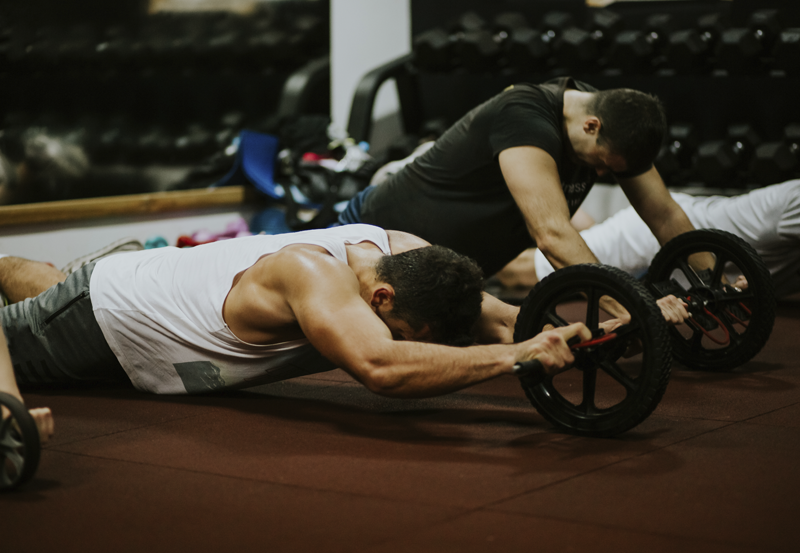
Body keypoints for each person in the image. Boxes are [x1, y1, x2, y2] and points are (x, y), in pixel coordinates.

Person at [0, 224, 591, 440]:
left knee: (55, 287)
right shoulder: (315, 276)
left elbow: (508, 319)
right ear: (381, 299)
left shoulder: (407, 255)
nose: (411, 344)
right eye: (405, 332)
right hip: (106, 323)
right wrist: (515, 358)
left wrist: (614, 328)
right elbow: (381, 367)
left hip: (144, 280)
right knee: (30, 321)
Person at [339, 77, 702, 284]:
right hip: (372, 239)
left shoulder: (617, 127)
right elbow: (552, 233)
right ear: (591, 126)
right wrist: (630, 303)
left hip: (443, 277)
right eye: (602, 164)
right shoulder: (524, 117)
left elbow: (665, 215)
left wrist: (716, 285)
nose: (603, 174)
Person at [497, 180, 800, 298]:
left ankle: (569, 217)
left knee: (586, 237)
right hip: (651, 236)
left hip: (686, 231)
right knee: (517, 272)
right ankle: (522, 199)